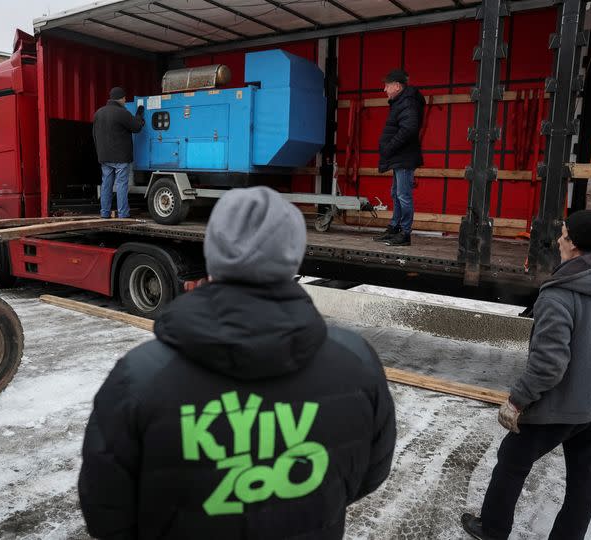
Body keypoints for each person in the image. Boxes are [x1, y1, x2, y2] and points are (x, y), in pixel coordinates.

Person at [78, 186, 396, 539]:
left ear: (213, 251)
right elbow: (368, 475)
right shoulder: (357, 362)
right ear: (294, 253)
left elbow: (106, 512)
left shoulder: (139, 377)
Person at [461, 209, 591, 540]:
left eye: (563, 234)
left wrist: (517, 400)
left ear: (574, 245)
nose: (558, 240)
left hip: (559, 406)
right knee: (583, 477)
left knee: (512, 461)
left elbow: (549, 364)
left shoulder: (559, 293)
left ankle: (493, 530)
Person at [374, 68, 425, 247]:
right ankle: (394, 228)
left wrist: (390, 146)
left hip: (404, 156)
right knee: (396, 193)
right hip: (400, 156)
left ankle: (405, 233)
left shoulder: (408, 102)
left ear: (396, 86)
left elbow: (408, 129)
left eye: (387, 86)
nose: (384, 90)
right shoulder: (401, 102)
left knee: (403, 195)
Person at [92, 86, 144, 218]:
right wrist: (139, 115)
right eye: (125, 98)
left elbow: (94, 134)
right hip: (120, 157)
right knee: (121, 185)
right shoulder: (122, 113)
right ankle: (123, 214)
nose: (125, 101)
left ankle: (104, 213)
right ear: (120, 98)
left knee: (106, 185)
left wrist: (100, 151)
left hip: (104, 156)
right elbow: (136, 127)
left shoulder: (98, 113)